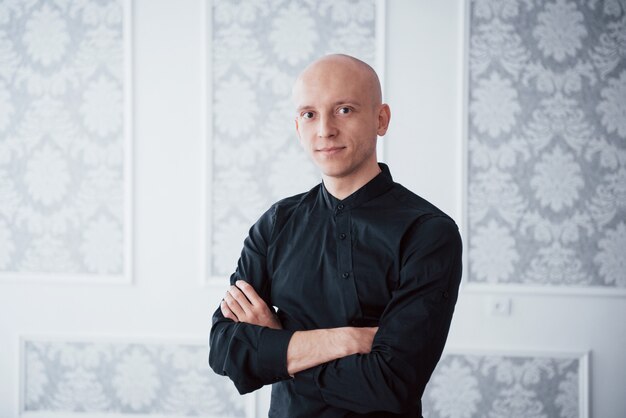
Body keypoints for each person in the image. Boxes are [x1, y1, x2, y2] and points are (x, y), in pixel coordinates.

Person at [209, 54, 462, 418]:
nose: (325, 129)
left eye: (344, 110)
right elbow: (224, 348)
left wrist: (279, 345)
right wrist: (345, 340)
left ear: (381, 119)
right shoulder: (276, 222)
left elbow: (390, 384)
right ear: (297, 126)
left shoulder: (428, 232)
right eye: (310, 114)